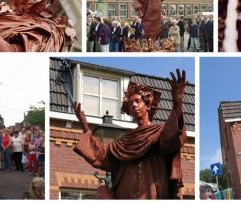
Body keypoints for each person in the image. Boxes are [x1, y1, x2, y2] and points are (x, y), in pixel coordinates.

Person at [73, 69, 187, 199]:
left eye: (138, 101)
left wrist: (177, 102)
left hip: (152, 195)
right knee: (102, 190)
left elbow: (173, 139)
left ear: (148, 105)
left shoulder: (160, 132)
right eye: (130, 103)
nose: (133, 105)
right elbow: (101, 156)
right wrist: (85, 126)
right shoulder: (123, 142)